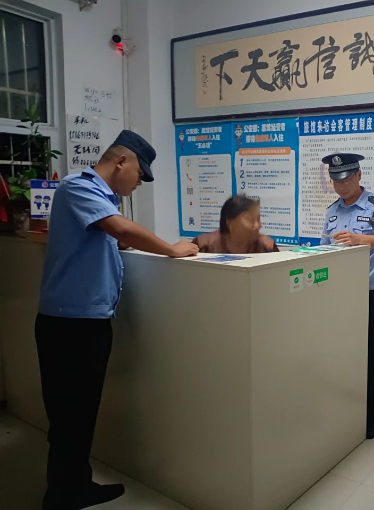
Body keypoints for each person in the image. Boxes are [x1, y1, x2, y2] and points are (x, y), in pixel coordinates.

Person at [36, 130, 199, 510]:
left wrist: (121, 243)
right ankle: (60, 496)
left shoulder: (102, 200)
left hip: (88, 322)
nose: (138, 184)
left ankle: (73, 486)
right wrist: (171, 249)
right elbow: (120, 228)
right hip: (69, 325)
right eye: (140, 175)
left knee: (80, 414)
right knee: (69, 415)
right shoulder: (78, 186)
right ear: (121, 162)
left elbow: (111, 237)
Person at [320, 153, 374, 439]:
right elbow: (324, 249)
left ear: (358, 175)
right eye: (335, 181)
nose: (341, 186)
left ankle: (371, 419)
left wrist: (360, 239)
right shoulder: (332, 211)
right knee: (341, 354)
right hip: (338, 295)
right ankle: (344, 412)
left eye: (345, 179)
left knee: (371, 356)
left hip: (369, 294)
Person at [191, 195, 278, 254]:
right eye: (250, 219)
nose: (258, 226)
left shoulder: (267, 246)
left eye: (258, 219)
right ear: (229, 221)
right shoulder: (204, 245)